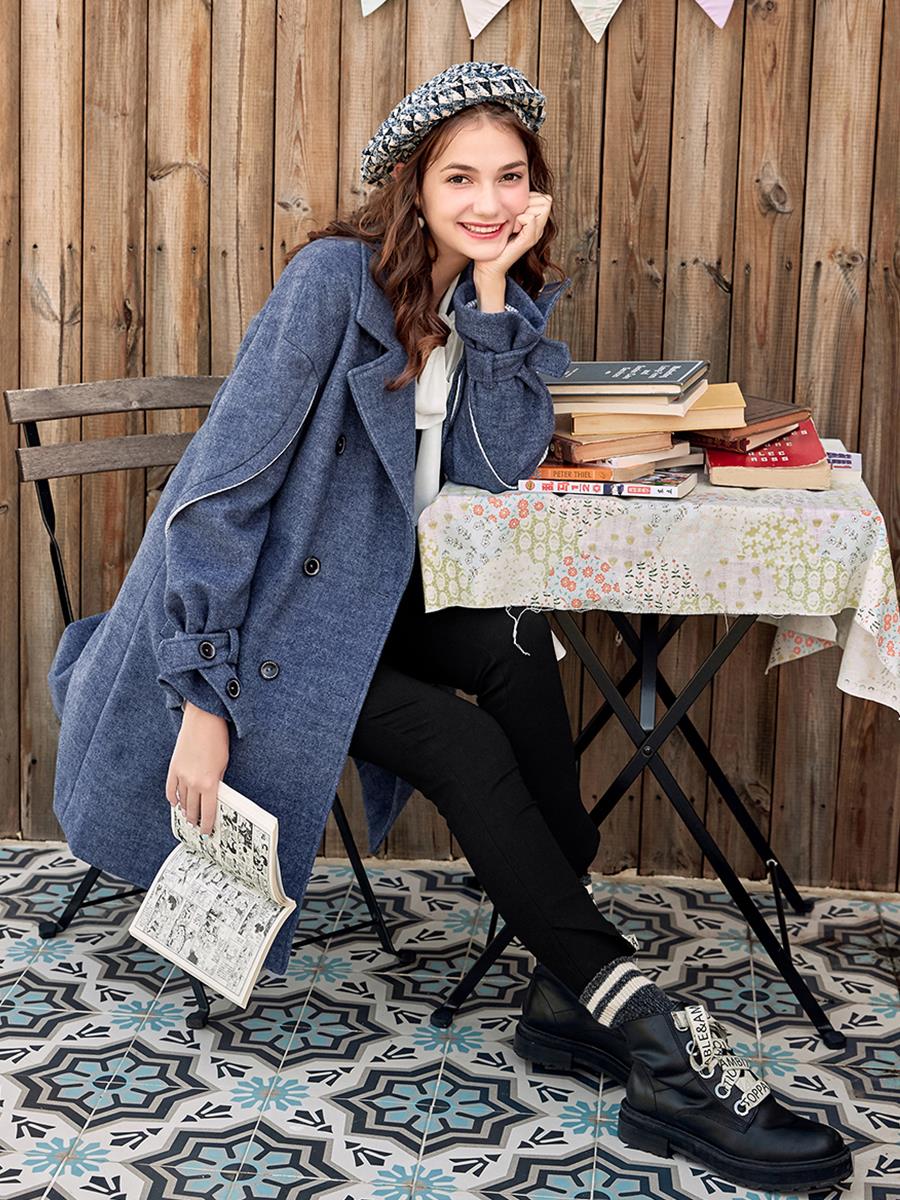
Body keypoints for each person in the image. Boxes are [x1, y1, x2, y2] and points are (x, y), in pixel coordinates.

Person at [48, 62, 849, 1191]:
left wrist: (492, 296)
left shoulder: (478, 296)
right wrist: (200, 696)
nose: (487, 200)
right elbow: (218, 494)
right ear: (413, 187)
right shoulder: (332, 284)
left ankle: (566, 979)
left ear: (537, 191)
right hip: (264, 629)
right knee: (463, 745)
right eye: (460, 177)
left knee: (518, 643)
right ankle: (652, 1044)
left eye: (510, 178)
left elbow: (491, 463)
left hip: (364, 603)